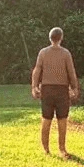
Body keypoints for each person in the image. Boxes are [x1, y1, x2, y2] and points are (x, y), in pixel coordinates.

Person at [31, 27, 79, 158]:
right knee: (62, 120)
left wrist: (34, 87)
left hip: (46, 89)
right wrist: (74, 87)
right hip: (61, 90)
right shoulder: (65, 53)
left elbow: (37, 70)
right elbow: (71, 71)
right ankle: (62, 149)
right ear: (61, 38)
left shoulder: (43, 52)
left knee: (46, 119)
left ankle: (46, 149)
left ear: (50, 38)